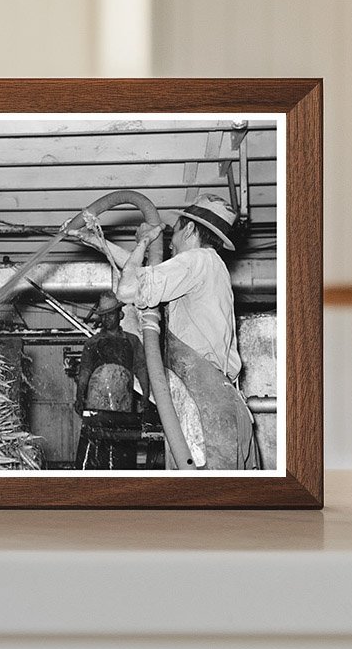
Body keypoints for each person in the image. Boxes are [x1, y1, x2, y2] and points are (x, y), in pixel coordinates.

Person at [70, 194, 256, 471]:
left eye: (175, 230)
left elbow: (129, 289)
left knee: (205, 493)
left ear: (189, 229)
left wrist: (144, 242)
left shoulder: (196, 260)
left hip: (204, 405)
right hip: (220, 402)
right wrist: (97, 242)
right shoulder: (209, 266)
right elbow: (147, 275)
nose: (170, 240)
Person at [73, 292, 143, 470]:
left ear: (120, 314)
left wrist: (146, 396)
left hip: (123, 404)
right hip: (97, 404)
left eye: (110, 314)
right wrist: (79, 396)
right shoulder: (92, 343)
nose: (106, 319)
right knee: (95, 450)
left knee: (121, 451)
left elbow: (141, 369)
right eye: (103, 316)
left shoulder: (132, 341)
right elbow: (85, 371)